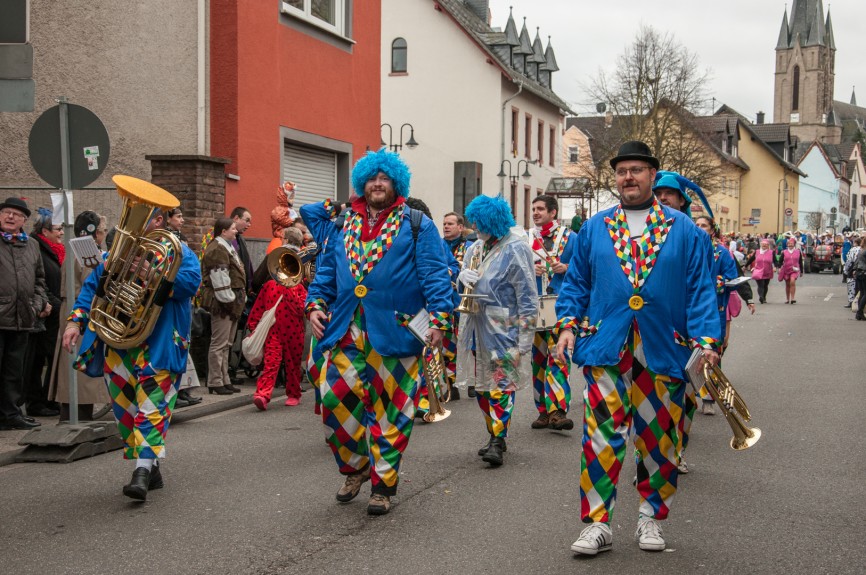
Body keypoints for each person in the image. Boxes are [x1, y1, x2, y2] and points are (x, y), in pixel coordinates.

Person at [554, 141, 721, 554]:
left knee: (659, 437)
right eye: (622, 170)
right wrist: (567, 326)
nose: (628, 177)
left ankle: (651, 518)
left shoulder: (683, 229)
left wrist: (707, 341)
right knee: (600, 437)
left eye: (637, 170)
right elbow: (576, 283)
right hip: (606, 346)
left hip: (662, 348)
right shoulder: (594, 227)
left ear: (652, 175)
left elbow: (701, 291)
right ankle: (597, 523)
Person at [302, 148, 453, 516]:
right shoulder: (343, 224)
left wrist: (440, 319)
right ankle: (355, 468)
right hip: (346, 328)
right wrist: (314, 304)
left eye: (384, 178)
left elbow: (434, 275)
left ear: (395, 183)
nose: (378, 183)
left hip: (396, 331)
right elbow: (326, 274)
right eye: (372, 178)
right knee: (336, 401)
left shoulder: (417, 223)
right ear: (362, 183)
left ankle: (383, 485)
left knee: (391, 411)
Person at [61, 176, 201, 500]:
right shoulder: (117, 252)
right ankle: (150, 465)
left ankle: (140, 472)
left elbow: (190, 284)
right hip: (118, 345)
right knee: (125, 413)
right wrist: (75, 323)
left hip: (160, 344)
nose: (143, 223)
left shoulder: (179, 252)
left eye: (149, 216)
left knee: (151, 409)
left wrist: (150, 273)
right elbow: (92, 290)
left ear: (159, 220)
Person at [455, 194, 537, 466]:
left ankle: (497, 440)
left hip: (504, 326)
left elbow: (527, 295)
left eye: (480, 222)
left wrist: (525, 337)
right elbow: (464, 285)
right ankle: (493, 433)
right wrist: (460, 278)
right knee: (482, 387)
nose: (476, 227)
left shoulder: (516, 248)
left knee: (502, 382)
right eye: (474, 221)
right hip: (476, 325)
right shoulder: (474, 249)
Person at [48, 211, 111, 422]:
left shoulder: (74, 246)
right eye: (102, 230)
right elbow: (93, 283)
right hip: (82, 309)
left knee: (71, 367)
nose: (103, 235)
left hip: (72, 306)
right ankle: (77, 417)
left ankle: (73, 414)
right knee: (80, 366)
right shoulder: (87, 250)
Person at [405, 197, 461, 417]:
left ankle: (431, 396)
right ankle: (418, 398)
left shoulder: (433, 239)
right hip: (409, 307)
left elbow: (452, 266)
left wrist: (444, 273)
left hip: (430, 306)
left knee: (432, 352)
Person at [0, 198, 51, 430]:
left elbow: (40, 279)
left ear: (24, 220)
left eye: (16, 214)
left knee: (14, 371)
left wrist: (37, 303)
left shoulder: (31, 244)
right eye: (6, 213)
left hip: (23, 317)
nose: (10, 217)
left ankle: (11, 414)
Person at [528, 194, 575, 431]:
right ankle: (543, 411)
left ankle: (557, 410)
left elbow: (585, 267)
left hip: (560, 304)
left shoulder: (571, 238)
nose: (535, 212)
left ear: (553, 212)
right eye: (533, 209)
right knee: (538, 359)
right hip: (534, 305)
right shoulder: (527, 238)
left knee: (558, 356)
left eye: (540, 209)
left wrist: (566, 267)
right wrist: (529, 269)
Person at [248, 227, 307, 410]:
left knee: (293, 364)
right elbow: (259, 307)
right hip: (274, 330)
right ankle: (263, 394)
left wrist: (293, 292)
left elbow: (301, 309)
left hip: (294, 330)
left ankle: (294, 393)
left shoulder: (299, 288)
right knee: (271, 363)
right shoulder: (269, 285)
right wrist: (252, 326)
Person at [22, 208, 64, 417]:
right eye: (58, 229)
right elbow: (40, 280)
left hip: (53, 311)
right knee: (36, 360)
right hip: (44, 312)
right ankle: (35, 402)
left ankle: (48, 400)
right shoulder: (36, 248)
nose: (62, 232)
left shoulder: (51, 249)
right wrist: (53, 304)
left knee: (48, 356)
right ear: (45, 231)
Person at [200, 217, 246, 395]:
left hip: (231, 302)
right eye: (233, 228)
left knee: (226, 343)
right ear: (223, 231)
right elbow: (220, 278)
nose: (236, 231)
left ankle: (224, 378)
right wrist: (229, 301)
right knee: (219, 344)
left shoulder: (226, 247)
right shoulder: (217, 249)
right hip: (222, 302)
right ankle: (214, 380)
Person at [442, 212, 468, 399]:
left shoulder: (470, 246)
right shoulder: (438, 244)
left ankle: (474, 382)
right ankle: (452, 384)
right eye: (444, 223)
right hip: (447, 300)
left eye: (450, 223)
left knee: (470, 343)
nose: (446, 226)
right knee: (448, 344)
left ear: (460, 227)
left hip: (464, 300)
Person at [748, 238, 776, 304]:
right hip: (758, 271)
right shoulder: (757, 252)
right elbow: (751, 259)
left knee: (765, 285)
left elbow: (775, 261)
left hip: (768, 271)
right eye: (763, 244)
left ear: (768, 245)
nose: (764, 246)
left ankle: (764, 297)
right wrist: (745, 266)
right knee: (761, 284)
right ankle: (761, 297)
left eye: (766, 245)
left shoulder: (771, 252)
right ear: (760, 245)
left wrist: (775, 266)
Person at [777, 236, 803, 304]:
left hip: (794, 270)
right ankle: (787, 299)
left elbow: (800, 262)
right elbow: (780, 261)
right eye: (789, 244)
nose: (790, 245)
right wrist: (779, 268)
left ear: (794, 244)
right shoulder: (784, 252)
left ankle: (793, 298)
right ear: (787, 244)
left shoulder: (798, 252)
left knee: (792, 281)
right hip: (786, 270)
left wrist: (801, 271)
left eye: (791, 243)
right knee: (787, 284)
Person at [843, 236, 862, 309]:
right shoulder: (862, 249)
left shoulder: (853, 250)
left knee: (851, 285)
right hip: (860, 268)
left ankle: (851, 301)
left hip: (852, 267)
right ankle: (858, 301)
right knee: (860, 286)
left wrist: (845, 270)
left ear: (856, 243)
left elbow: (849, 261)